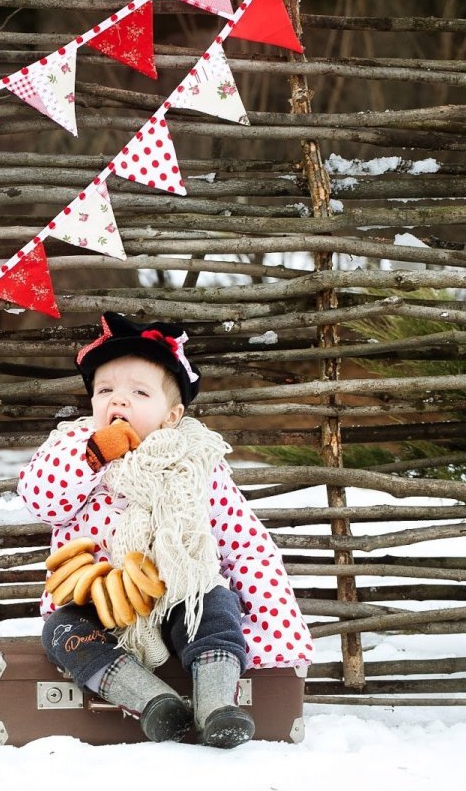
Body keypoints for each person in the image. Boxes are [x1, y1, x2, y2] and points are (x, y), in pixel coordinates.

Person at [17, 311, 313, 748]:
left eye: (139, 392)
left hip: (179, 594)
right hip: (98, 600)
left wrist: (274, 625)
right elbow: (41, 501)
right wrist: (93, 457)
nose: (119, 402)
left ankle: (216, 704)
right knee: (61, 631)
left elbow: (244, 544)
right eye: (105, 391)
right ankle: (153, 701)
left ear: (171, 415)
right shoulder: (73, 447)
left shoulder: (197, 463)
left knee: (215, 604)